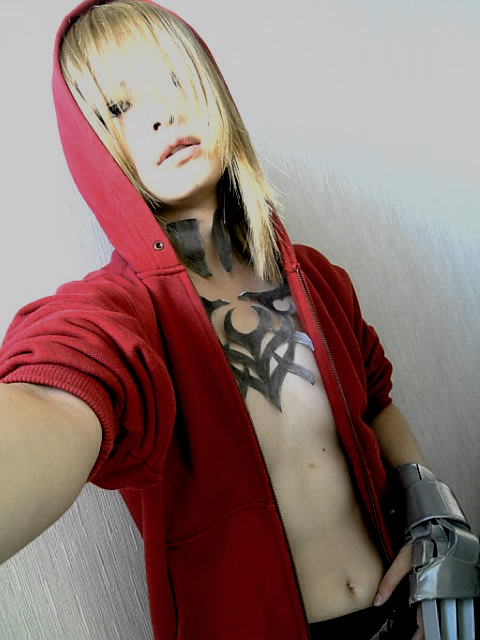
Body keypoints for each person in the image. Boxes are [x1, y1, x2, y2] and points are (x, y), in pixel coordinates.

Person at [0, 1, 478, 639]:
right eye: (119, 106)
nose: (163, 113)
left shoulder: (320, 280)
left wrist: (434, 521)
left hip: (399, 616)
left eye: (177, 79)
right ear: (93, 144)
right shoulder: (120, 315)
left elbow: (377, 403)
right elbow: (57, 391)